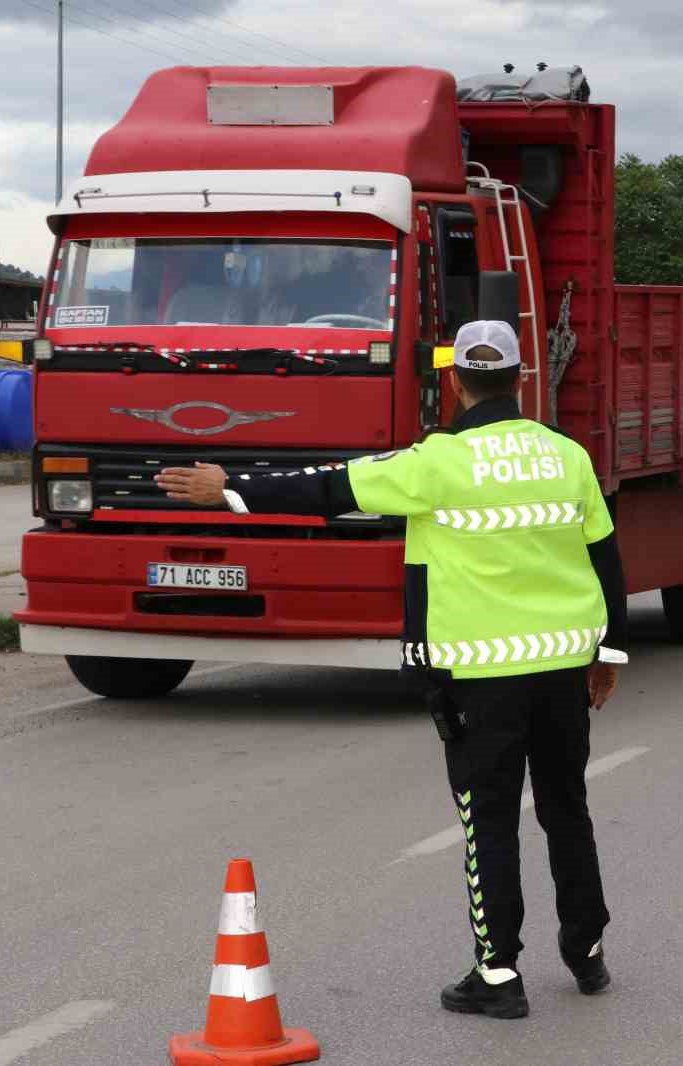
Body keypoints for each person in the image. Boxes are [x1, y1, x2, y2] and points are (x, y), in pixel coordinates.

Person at [155, 320, 627, 1021]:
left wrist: (231, 488)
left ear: (457, 381)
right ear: (522, 379)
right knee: (567, 808)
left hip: (481, 675)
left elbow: (329, 488)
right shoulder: (568, 457)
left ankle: (498, 978)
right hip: (563, 668)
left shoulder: (436, 462)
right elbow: (605, 559)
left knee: (488, 821)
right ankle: (586, 954)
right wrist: (608, 653)